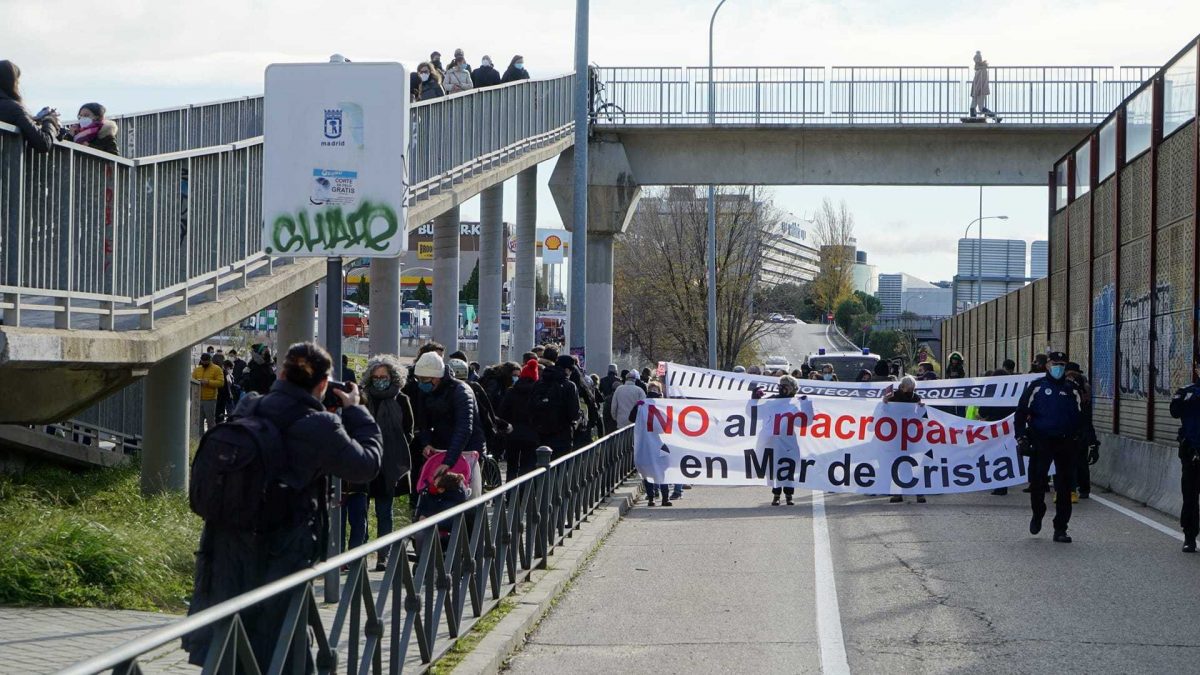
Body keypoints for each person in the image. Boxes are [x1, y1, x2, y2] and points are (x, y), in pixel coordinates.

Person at [183, 342, 382, 669]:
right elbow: (366, 465)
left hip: (225, 549)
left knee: (230, 647)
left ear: (281, 373)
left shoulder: (249, 406)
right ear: (322, 384)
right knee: (281, 648)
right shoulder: (320, 425)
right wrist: (357, 410)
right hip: (281, 554)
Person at [347, 355, 413, 571]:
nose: (379, 380)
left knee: (385, 512)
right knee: (359, 513)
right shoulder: (363, 398)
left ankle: (383, 556)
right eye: (375, 377)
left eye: (383, 377)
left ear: (393, 377)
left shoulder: (402, 400)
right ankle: (358, 555)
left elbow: (408, 431)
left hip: (389, 464)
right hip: (364, 462)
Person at [1014, 351, 1087, 543]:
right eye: (1055, 363)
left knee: (1064, 487)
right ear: (1047, 365)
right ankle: (1038, 513)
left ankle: (1061, 528)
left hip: (1066, 443)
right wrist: (1021, 437)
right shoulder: (1036, 387)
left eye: (1062, 364)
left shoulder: (1072, 389)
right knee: (1037, 484)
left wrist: (1088, 441)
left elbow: (1082, 418)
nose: (1059, 367)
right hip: (1041, 441)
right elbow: (1021, 414)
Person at [1170, 361, 1200, 553]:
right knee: (1190, 496)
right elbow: (1174, 412)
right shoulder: (1187, 392)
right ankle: (1190, 537)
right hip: (1192, 452)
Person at [885, 376, 927, 504]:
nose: (910, 392)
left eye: (912, 389)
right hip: (896, 437)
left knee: (913, 465)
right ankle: (901, 493)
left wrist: (922, 407)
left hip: (911, 437)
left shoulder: (916, 398)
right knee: (900, 465)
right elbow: (883, 414)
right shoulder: (892, 396)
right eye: (909, 389)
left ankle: (918, 493)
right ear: (902, 387)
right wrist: (884, 403)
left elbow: (922, 417)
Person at [0, 60, 58, 152]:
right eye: (17, 80)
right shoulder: (14, 108)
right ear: (10, 82)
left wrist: (31, 120)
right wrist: (50, 121)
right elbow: (43, 143)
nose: (18, 84)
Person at [499, 359, 542, 481]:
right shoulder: (537, 392)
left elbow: (502, 412)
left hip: (513, 434)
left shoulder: (511, 391)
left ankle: (509, 495)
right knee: (527, 466)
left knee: (512, 466)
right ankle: (524, 495)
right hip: (532, 434)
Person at [530, 355, 580, 457]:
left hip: (539, 434)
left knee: (541, 467)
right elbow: (574, 412)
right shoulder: (569, 386)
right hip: (562, 435)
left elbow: (530, 406)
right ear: (567, 370)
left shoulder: (539, 383)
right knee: (560, 468)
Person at [1065, 362, 1100, 502]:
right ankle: (1083, 489)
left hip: (1074, 429)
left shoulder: (1073, 386)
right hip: (1083, 429)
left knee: (1072, 461)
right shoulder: (1085, 386)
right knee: (1081, 461)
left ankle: (1073, 488)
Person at [769, 376, 800, 505]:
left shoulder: (796, 402)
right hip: (774, 440)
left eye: (786, 386)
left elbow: (804, 422)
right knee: (775, 467)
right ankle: (776, 495)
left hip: (789, 441)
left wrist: (804, 406)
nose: (782, 389)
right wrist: (755, 399)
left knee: (789, 467)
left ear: (792, 388)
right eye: (781, 385)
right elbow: (754, 412)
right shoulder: (772, 400)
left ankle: (789, 494)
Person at [192, 352, 225, 436]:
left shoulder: (217, 369)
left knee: (210, 421)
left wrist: (208, 382)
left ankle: (211, 439)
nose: (204, 364)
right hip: (198, 399)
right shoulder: (197, 369)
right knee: (198, 422)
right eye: (203, 362)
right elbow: (191, 381)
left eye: (206, 362)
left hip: (210, 399)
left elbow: (221, 383)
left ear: (210, 360)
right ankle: (199, 440)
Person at [969, 51, 998, 120]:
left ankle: (996, 117)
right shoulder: (979, 69)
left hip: (980, 91)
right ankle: (973, 120)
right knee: (972, 106)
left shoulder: (982, 69)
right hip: (977, 91)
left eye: (976, 60)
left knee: (980, 108)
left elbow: (981, 82)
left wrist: (976, 91)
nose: (975, 62)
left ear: (978, 60)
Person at [212, 353, 234, 423]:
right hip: (220, 396)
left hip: (216, 396)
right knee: (219, 415)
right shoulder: (222, 371)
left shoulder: (221, 370)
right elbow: (228, 383)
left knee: (215, 415)